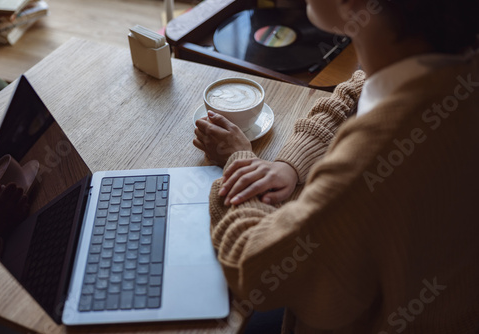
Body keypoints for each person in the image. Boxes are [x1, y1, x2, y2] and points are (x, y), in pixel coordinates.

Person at [194, 0, 479, 333]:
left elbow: (258, 272)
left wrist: (238, 162)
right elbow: (360, 88)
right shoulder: (445, 59)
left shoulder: (372, 160)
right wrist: (291, 162)